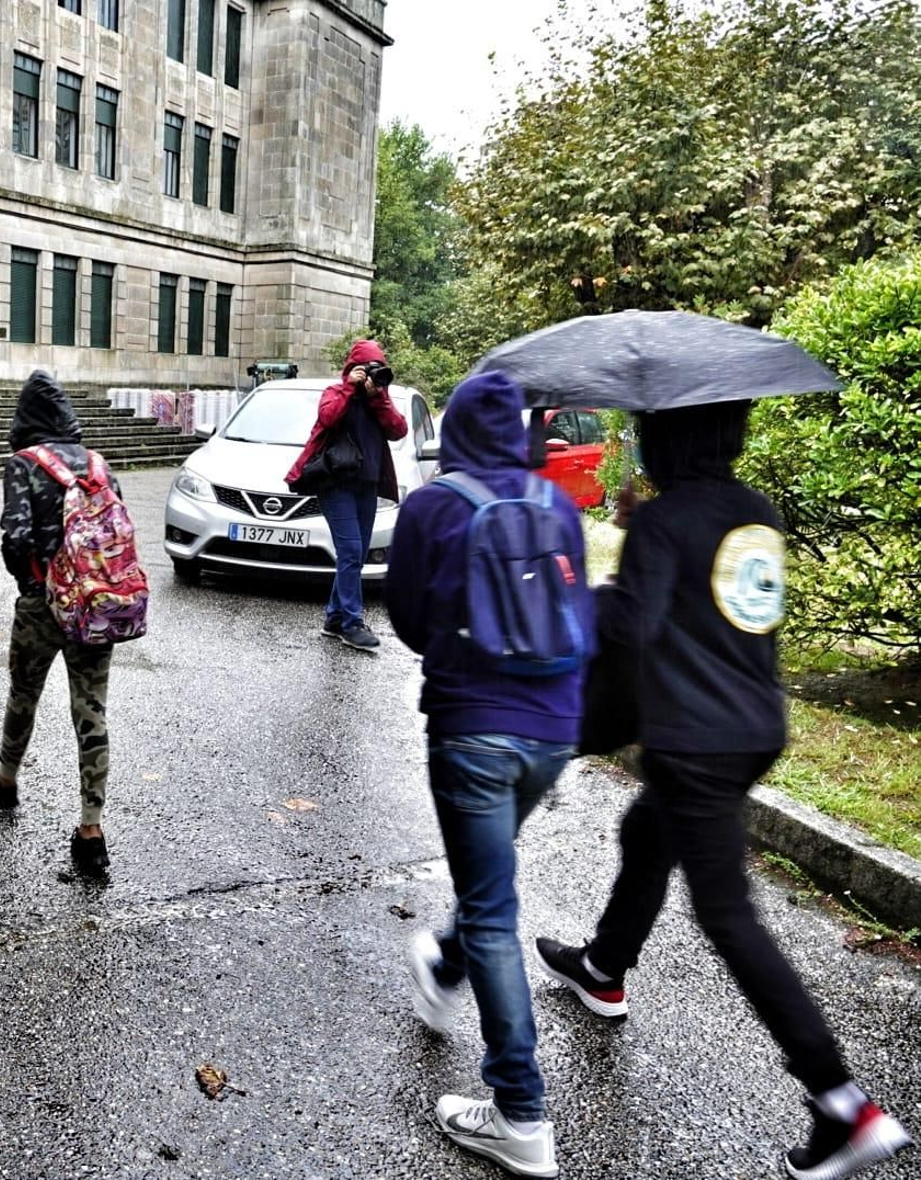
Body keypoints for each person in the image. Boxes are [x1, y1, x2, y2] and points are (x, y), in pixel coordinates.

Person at [533, 401, 913, 1180]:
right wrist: (655, 534)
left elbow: (628, 628)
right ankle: (604, 969)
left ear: (670, 436)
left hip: (695, 739)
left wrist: (605, 577)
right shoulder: (754, 513)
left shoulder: (669, 522)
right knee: (646, 835)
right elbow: (731, 610)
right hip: (753, 726)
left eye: (649, 427)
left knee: (728, 915)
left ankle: (843, 1105)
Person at [384, 371, 594, 1180]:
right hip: (553, 735)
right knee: (488, 886)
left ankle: (520, 1112)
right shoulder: (557, 506)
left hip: (473, 730)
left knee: (493, 910)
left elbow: (404, 617)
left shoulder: (438, 505)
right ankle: (442, 959)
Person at [0, 371, 119, 878]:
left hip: (42, 604)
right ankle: (91, 830)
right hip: (97, 604)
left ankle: (6, 780)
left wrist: (33, 585)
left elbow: (14, 536)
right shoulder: (98, 464)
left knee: (24, 694)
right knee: (91, 710)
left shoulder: (24, 464)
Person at [287, 339, 407, 651]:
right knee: (351, 551)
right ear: (351, 368)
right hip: (336, 484)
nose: (371, 374)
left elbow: (399, 430)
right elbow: (328, 417)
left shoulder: (378, 399)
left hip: (366, 486)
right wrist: (349, 388)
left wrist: (378, 397)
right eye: (366, 368)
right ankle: (352, 622)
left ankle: (334, 618)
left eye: (377, 369)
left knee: (356, 553)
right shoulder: (335, 393)